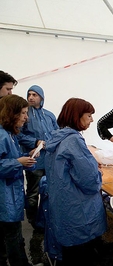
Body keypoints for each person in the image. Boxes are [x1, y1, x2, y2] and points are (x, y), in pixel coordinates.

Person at [45, 98, 107, 265]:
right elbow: (90, 181)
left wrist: (91, 164)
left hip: (63, 207)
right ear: (77, 116)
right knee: (83, 254)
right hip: (78, 211)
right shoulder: (74, 141)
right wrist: (97, 171)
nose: (92, 120)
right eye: (88, 116)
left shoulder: (56, 138)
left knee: (70, 254)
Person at [0, 94, 39, 266]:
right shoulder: (2, 136)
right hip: (5, 196)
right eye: (23, 113)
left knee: (15, 235)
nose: (26, 117)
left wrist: (25, 158)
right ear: (11, 113)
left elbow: (10, 159)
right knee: (12, 237)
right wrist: (18, 163)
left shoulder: (10, 134)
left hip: (11, 194)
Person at [18, 85, 58, 230]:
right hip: (33, 160)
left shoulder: (49, 115)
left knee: (51, 190)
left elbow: (57, 133)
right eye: (29, 94)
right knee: (33, 193)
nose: (31, 97)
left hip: (50, 160)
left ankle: (50, 218)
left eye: (35, 94)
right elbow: (19, 135)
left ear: (41, 97)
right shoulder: (24, 115)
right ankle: (34, 222)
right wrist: (35, 142)